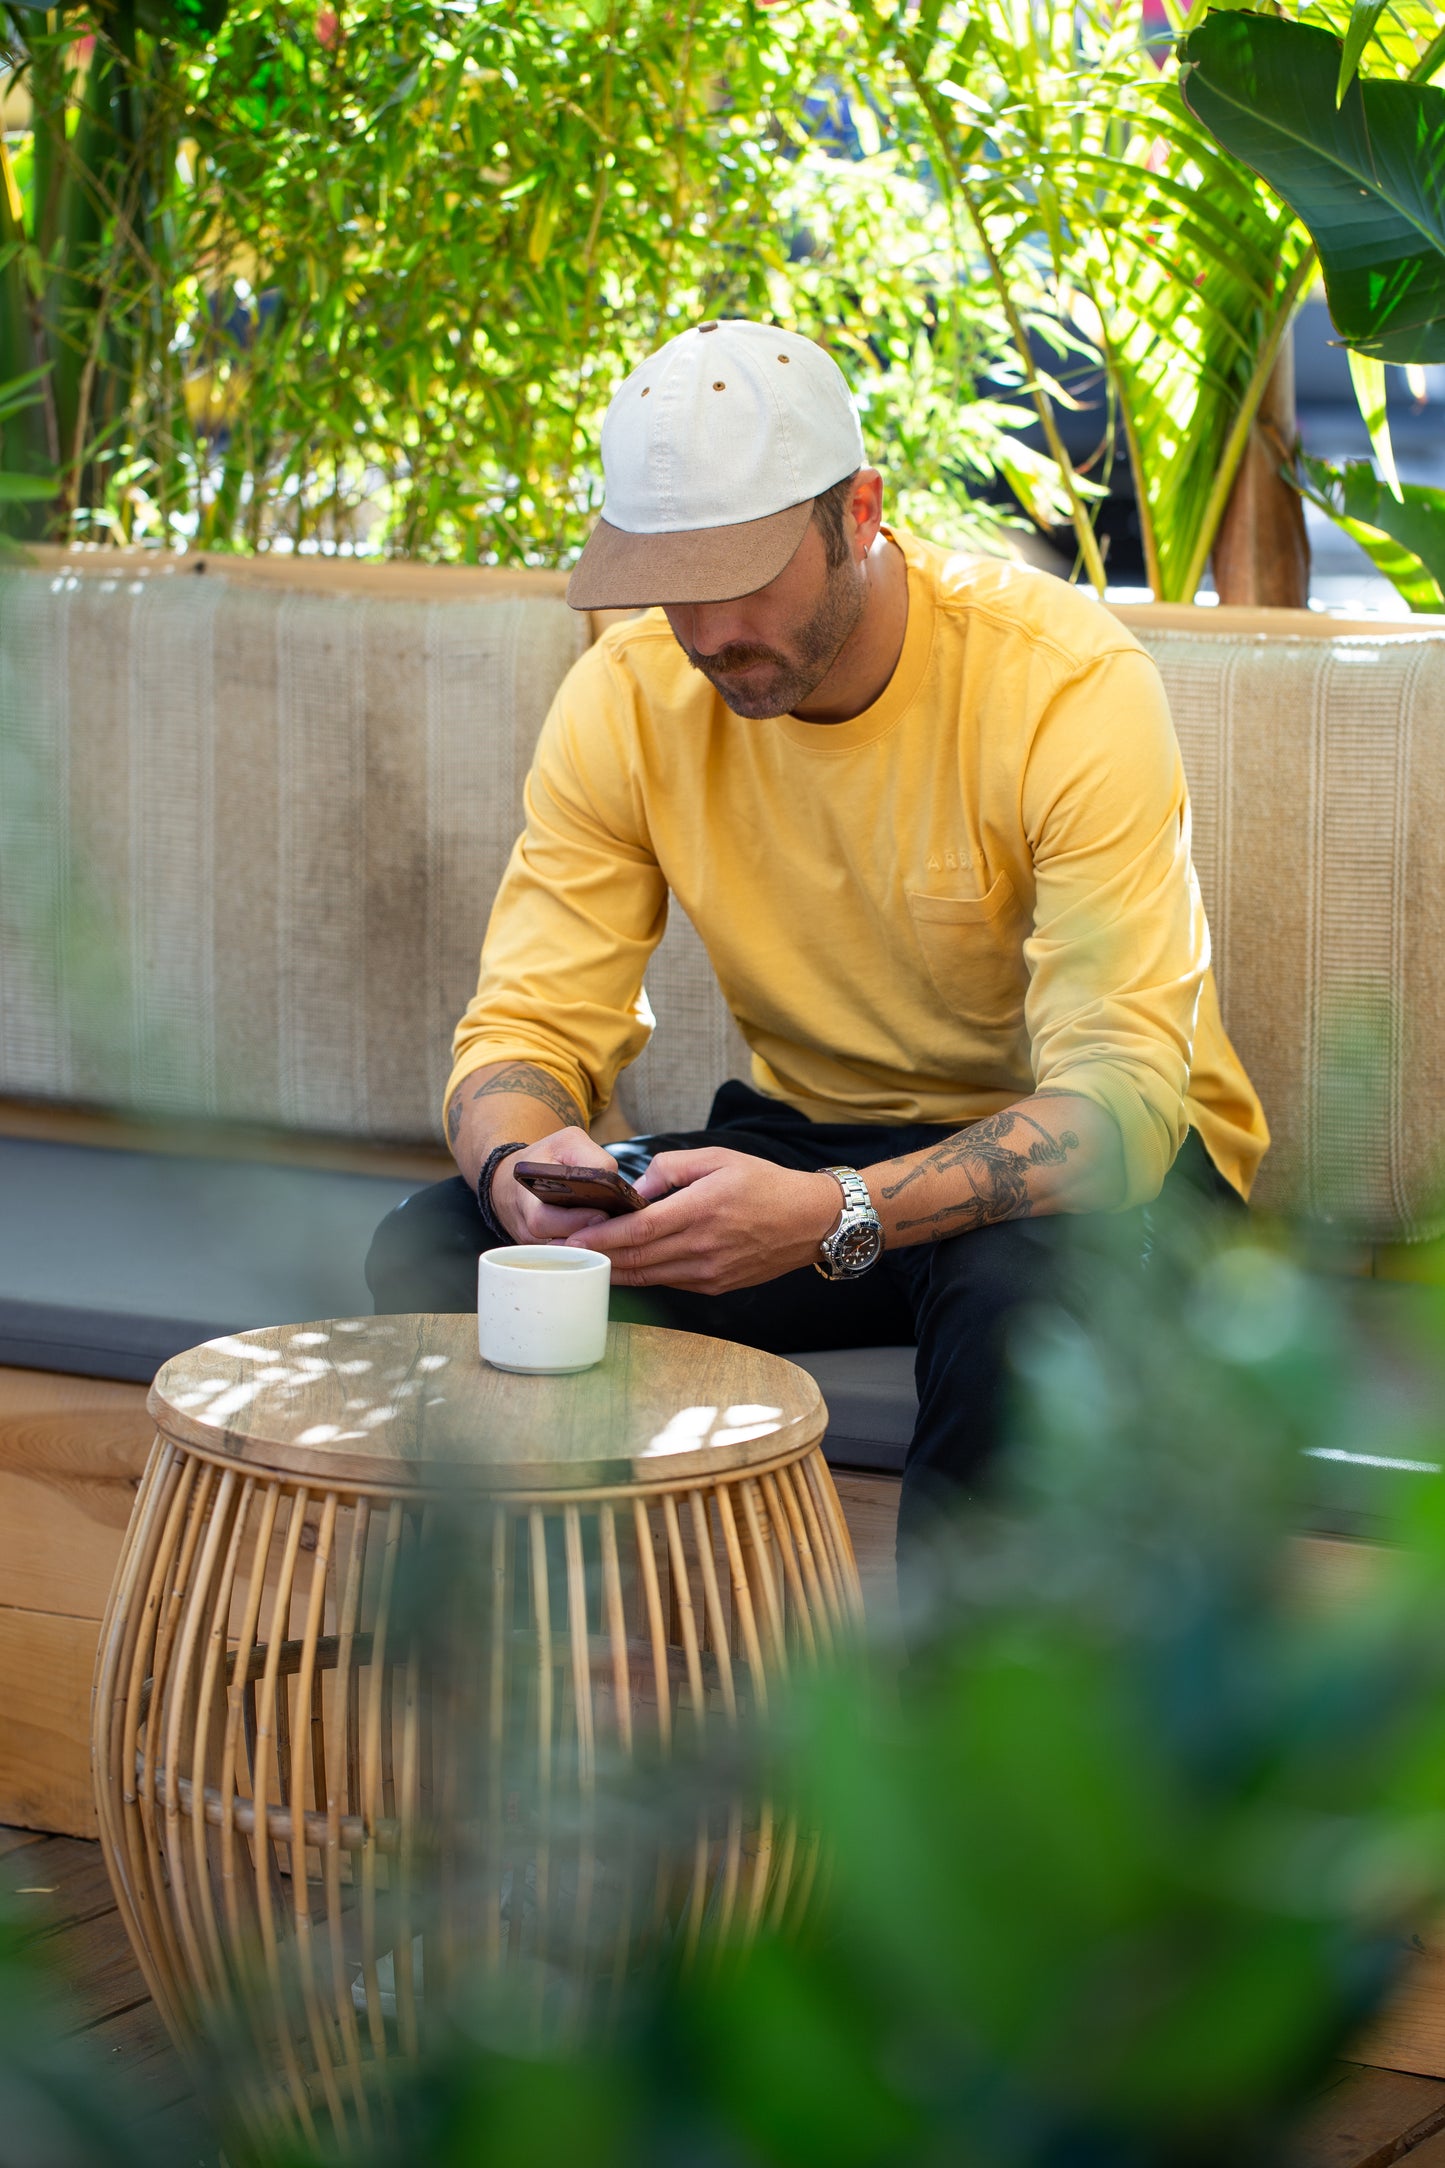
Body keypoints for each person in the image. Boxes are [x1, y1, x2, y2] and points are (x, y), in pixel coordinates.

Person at [366, 318, 1267, 1565]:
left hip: (1098, 1169)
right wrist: (521, 1173)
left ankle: (950, 1745)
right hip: (812, 1146)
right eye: (671, 578)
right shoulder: (630, 696)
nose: (707, 626)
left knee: (1022, 1300)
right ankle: (606, 1671)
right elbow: (520, 1033)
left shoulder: (1062, 682)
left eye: (743, 572)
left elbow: (1117, 1104)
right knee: (440, 1244)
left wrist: (834, 1210)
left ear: (858, 510)